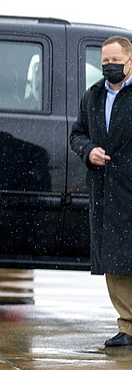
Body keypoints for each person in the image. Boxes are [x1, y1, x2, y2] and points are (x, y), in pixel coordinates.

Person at [70, 35, 132, 348]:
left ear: (130, 61)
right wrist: (89, 150)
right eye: (105, 61)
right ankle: (127, 326)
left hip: (130, 186)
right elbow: (76, 134)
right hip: (106, 191)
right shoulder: (92, 96)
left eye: (115, 61)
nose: (109, 66)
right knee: (115, 259)